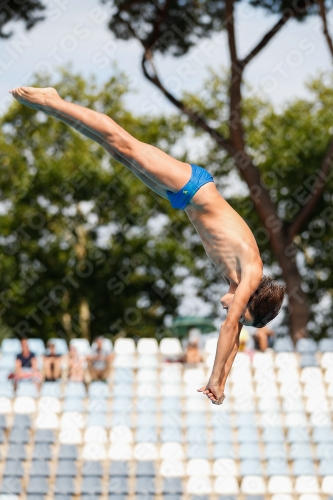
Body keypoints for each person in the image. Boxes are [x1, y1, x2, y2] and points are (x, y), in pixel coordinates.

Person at [9, 86, 286, 405]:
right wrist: (213, 376)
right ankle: (52, 101)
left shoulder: (240, 281)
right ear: (249, 300)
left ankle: (54, 106)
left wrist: (221, 383)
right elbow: (228, 330)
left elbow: (234, 340)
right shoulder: (250, 273)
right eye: (241, 315)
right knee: (120, 141)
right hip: (194, 187)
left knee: (115, 150)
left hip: (184, 199)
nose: (233, 317)